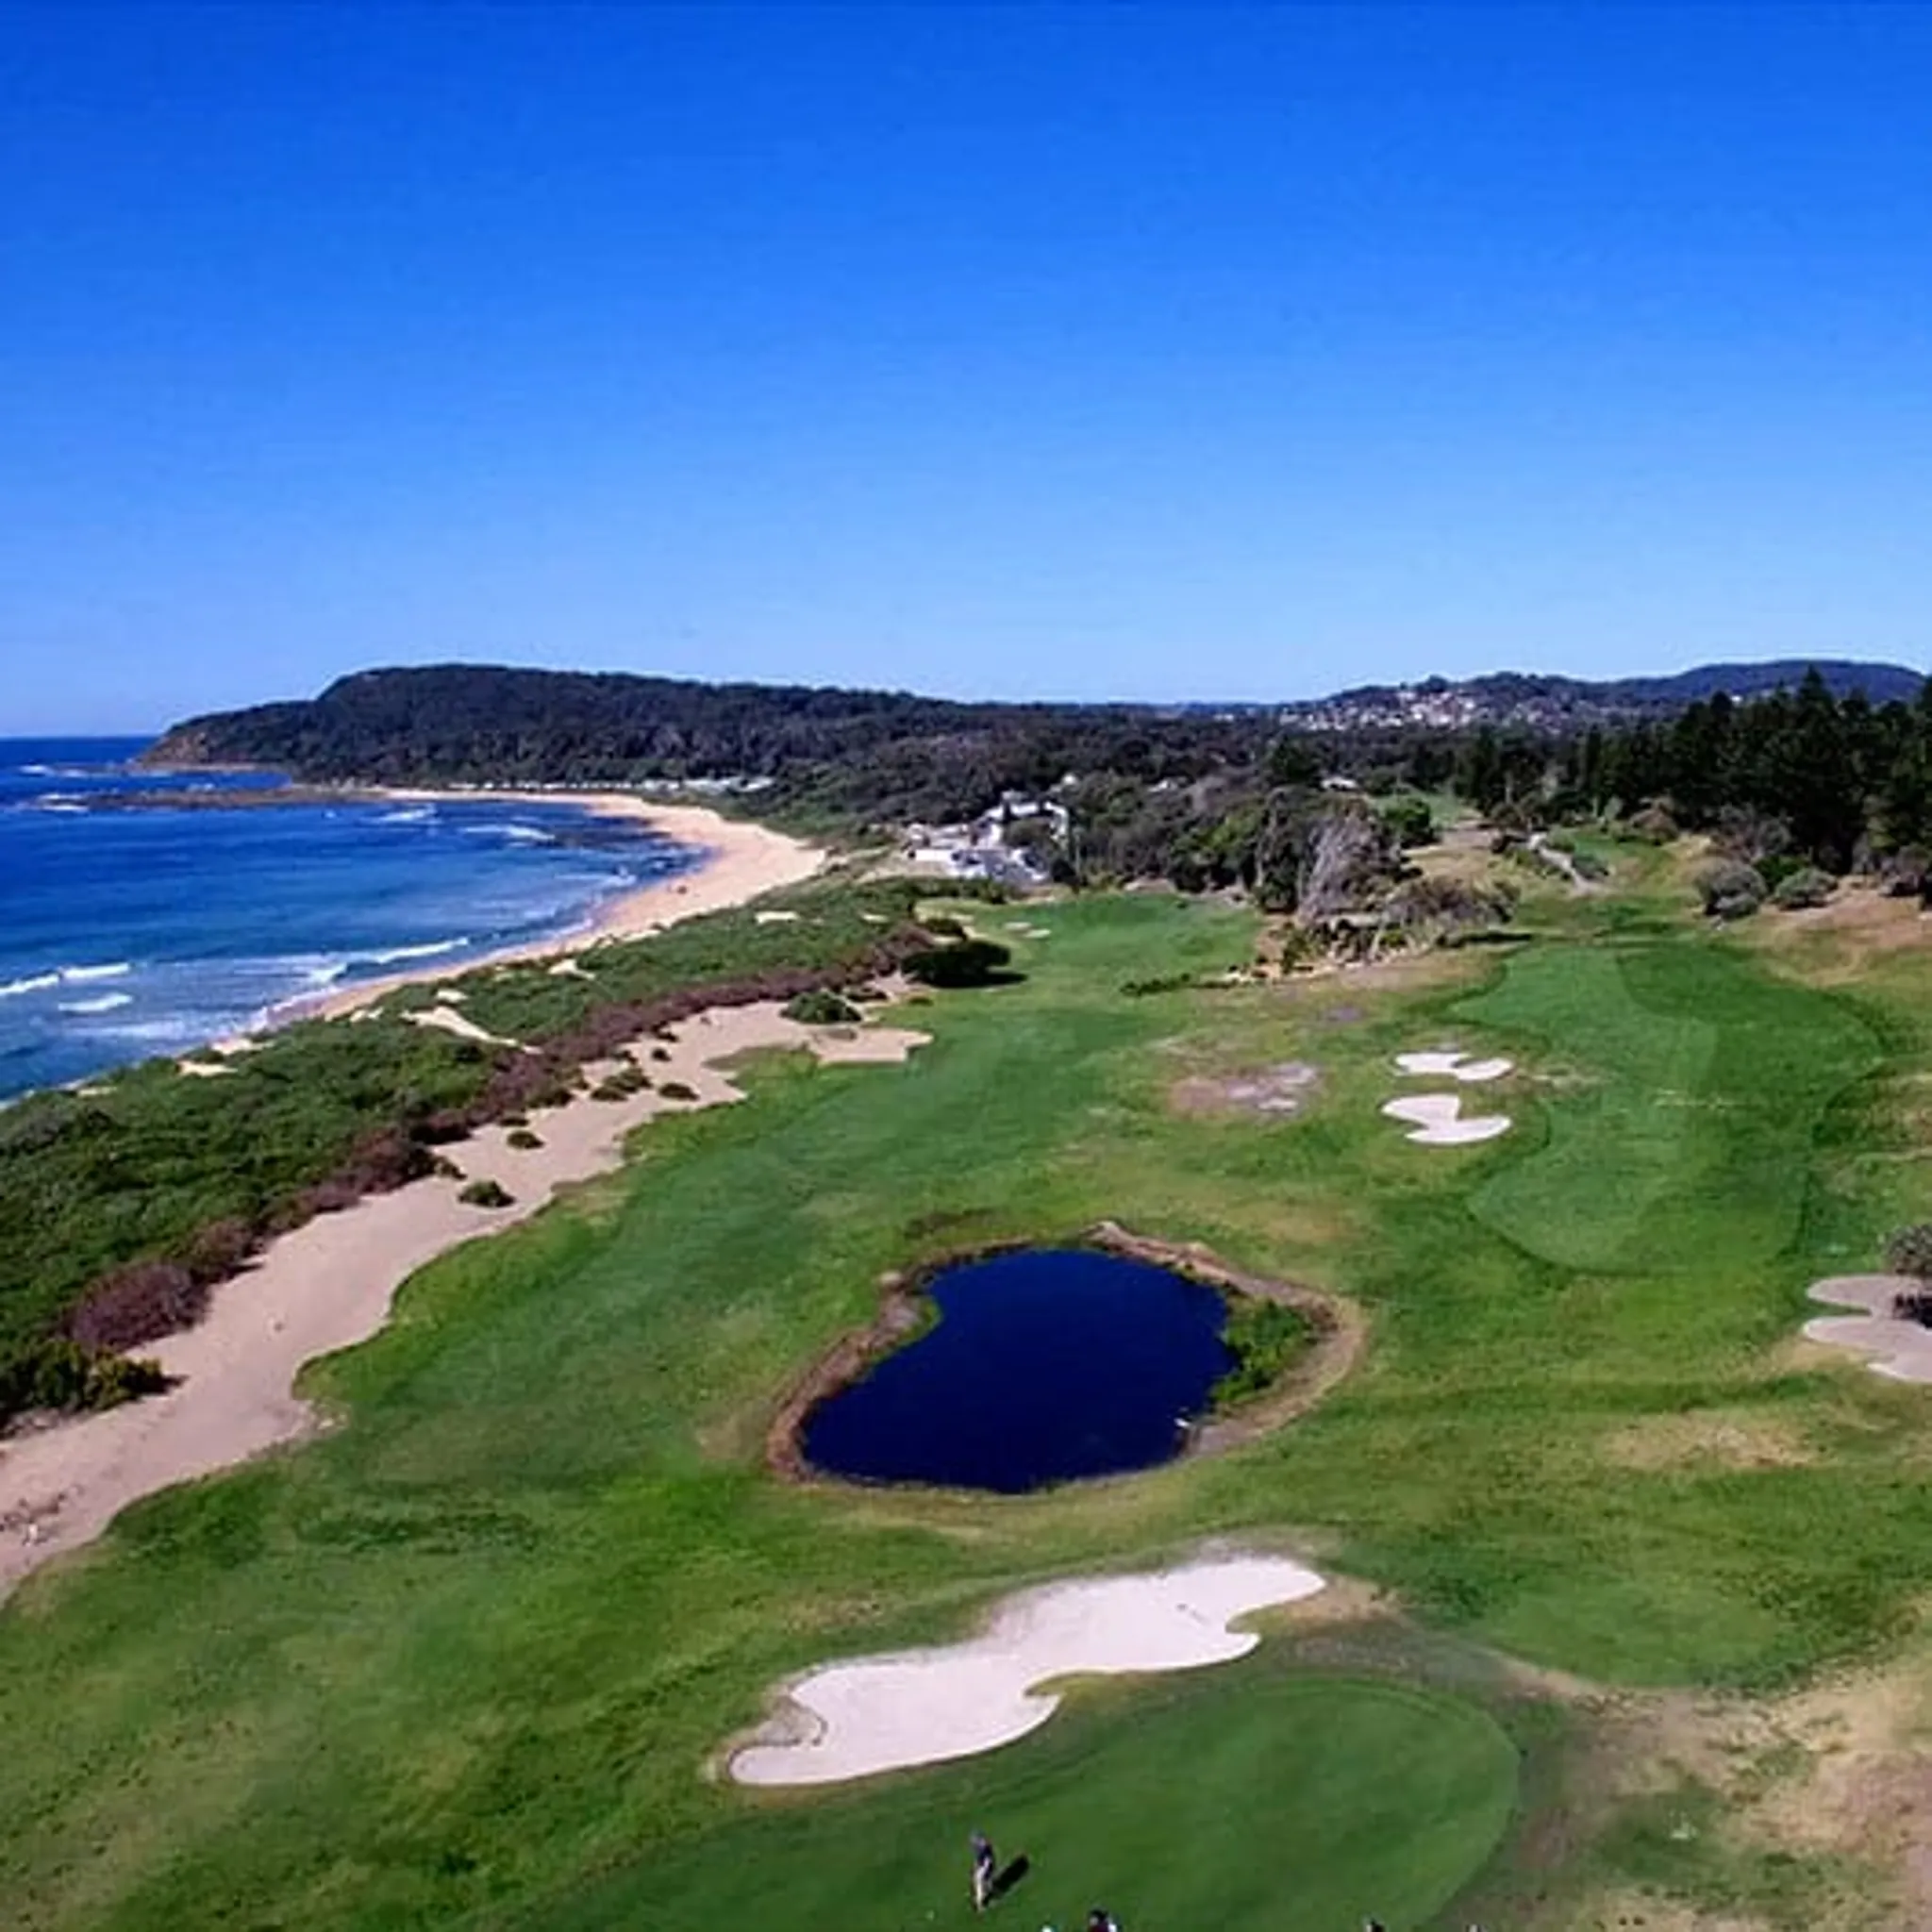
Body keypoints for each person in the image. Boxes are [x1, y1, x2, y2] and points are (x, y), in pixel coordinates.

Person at [971, 1833, 996, 1912]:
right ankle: (982, 1900)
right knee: (983, 1882)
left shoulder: (983, 1849)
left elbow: (982, 1862)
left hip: (986, 1866)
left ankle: (980, 1903)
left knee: (981, 1882)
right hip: (986, 1866)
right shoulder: (984, 1847)